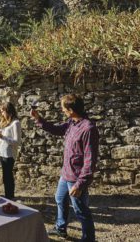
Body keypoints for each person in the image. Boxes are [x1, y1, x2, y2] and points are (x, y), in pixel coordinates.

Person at [31, 94, 99, 242]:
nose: (62, 110)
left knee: (81, 211)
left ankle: (89, 239)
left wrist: (80, 184)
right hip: (66, 173)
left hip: (76, 178)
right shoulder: (71, 123)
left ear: (70, 109)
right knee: (60, 199)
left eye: (63, 108)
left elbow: (90, 160)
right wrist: (38, 119)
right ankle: (60, 228)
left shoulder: (88, 128)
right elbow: (56, 130)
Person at [0, 102, 21, 200]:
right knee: (5, 177)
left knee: (8, 176)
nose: (1, 114)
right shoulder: (6, 122)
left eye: (3, 111)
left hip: (9, 154)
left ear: (9, 111)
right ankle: (8, 197)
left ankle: (10, 197)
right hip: (2, 153)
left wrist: (2, 137)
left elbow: (17, 142)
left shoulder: (16, 123)